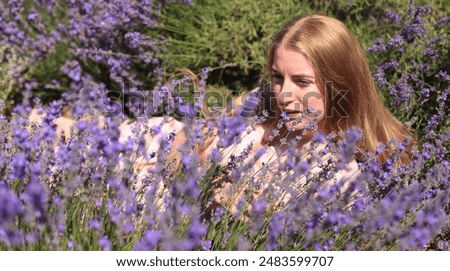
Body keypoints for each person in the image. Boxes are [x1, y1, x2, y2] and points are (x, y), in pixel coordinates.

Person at [124, 14, 412, 212]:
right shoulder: (259, 115)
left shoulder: (351, 174)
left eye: (302, 82)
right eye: (277, 77)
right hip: (142, 146)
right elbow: (177, 152)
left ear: (340, 84)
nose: (284, 95)